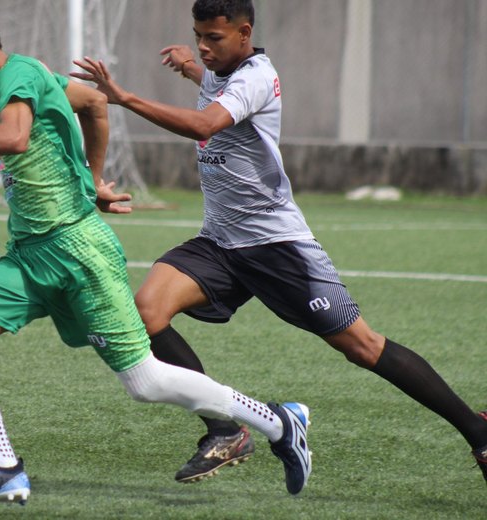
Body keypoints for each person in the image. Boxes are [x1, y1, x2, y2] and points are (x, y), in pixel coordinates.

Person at [0, 4, 313, 506]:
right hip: (30, 255)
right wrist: (91, 181)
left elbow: (14, 137)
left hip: (78, 254)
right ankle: (4, 465)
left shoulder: (19, 75)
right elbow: (94, 102)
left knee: (145, 382)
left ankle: (277, 422)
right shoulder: (23, 81)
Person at [72, 0, 487, 488]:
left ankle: (477, 429)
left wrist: (125, 98)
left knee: (362, 346)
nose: (205, 46)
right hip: (220, 243)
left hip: (277, 248)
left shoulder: (255, 77)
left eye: (215, 38)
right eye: (198, 35)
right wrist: (188, 64)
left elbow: (204, 125)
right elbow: (208, 83)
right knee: (146, 313)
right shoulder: (219, 70)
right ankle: (225, 432)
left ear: (244, 33)